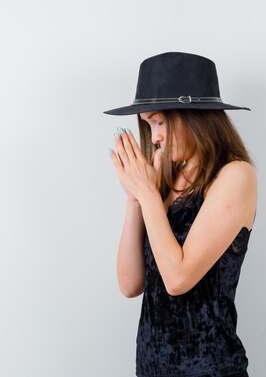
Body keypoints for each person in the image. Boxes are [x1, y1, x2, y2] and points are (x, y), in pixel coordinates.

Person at [103, 52, 257, 377]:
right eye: (148, 124)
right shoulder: (167, 177)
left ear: (193, 116)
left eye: (159, 121)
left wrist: (147, 193)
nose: (154, 136)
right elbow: (130, 284)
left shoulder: (234, 176)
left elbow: (177, 279)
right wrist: (136, 199)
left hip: (211, 369)